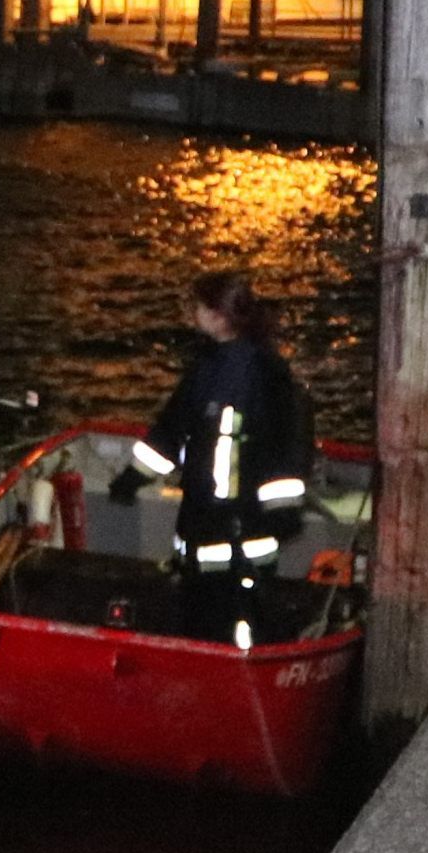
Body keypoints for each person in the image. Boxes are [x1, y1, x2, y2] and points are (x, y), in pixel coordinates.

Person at [115, 272, 312, 647]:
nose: (193, 313)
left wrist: (282, 508)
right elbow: (173, 428)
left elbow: (285, 442)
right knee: (200, 611)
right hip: (202, 518)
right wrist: (133, 476)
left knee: (242, 619)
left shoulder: (262, 373)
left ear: (220, 315)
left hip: (244, 525)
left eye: (201, 306)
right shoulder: (208, 366)